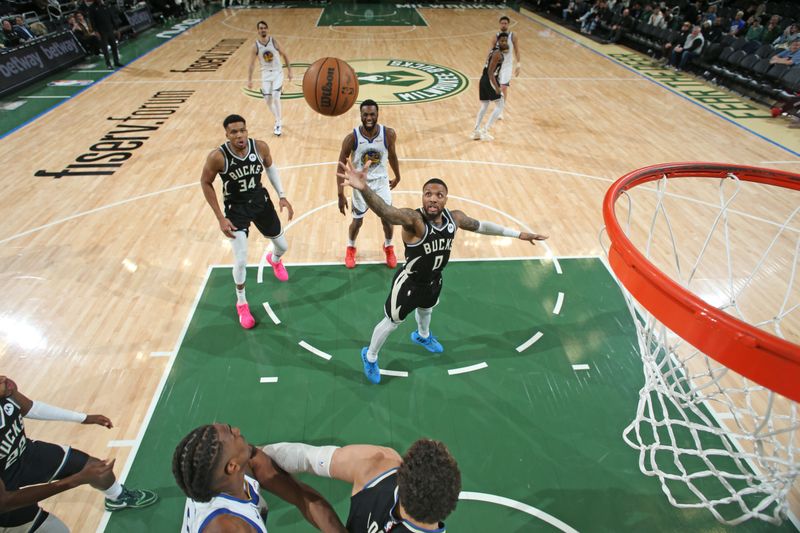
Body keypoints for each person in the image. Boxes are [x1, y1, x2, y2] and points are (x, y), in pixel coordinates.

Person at [337, 160, 548, 384]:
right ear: (422, 197)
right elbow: (387, 212)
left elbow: (481, 226)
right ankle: (370, 356)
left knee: (427, 309)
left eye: (439, 195)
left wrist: (518, 235)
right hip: (410, 282)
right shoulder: (413, 220)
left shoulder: (454, 218)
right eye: (428, 194)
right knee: (391, 322)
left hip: (434, 279)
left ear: (445, 198)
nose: (433, 198)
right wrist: (365, 189)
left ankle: (422, 336)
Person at [0, 376, 157, 532]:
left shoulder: (5, 391)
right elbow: (5, 502)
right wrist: (77, 479)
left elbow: (31, 408)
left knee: (96, 468)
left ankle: (118, 497)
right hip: (5, 490)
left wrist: (84, 418)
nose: (3, 378)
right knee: (58, 530)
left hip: (24, 453)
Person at [200, 114, 294, 330]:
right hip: (236, 210)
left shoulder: (260, 147)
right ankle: (241, 302)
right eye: (234, 132)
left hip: (260, 202)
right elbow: (205, 182)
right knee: (241, 259)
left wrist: (281, 195)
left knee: (283, 246)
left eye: (242, 130)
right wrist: (220, 218)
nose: (239, 135)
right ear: (227, 135)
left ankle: (275, 259)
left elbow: (270, 167)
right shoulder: (218, 157)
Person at [172, 424, 346, 532]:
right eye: (232, 433)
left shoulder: (241, 465)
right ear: (232, 466)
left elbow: (302, 496)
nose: (238, 430)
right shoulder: (230, 527)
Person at [264, 438, 461, 533]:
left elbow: (305, 457)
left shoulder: (380, 465)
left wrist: (252, 454)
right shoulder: (377, 466)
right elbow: (305, 458)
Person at [336, 99, 401, 270]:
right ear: (361, 116)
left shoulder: (388, 134)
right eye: (365, 114)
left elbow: (393, 156)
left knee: (388, 219)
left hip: (381, 183)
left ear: (378, 114)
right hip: (360, 186)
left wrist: (398, 176)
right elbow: (340, 165)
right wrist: (340, 194)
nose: (369, 117)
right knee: (357, 222)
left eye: (372, 114)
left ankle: (388, 246)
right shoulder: (352, 138)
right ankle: (351, 247)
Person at [247, 21, 292, 137]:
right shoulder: (255, 46)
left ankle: (278, 123)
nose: (263, 30)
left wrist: (290, 71)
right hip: (265, 74)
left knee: (276, 96)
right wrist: (249, 79)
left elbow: (285, 55)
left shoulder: (274, 41)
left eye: (264, 28)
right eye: (261, 28)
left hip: (277, 73)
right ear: (258, 30)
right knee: (267, 99)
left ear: (267, 29)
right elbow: (251, 64)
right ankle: (278, 118)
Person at [472, 32, 508, 141]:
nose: (504, 42)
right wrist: (497, 87)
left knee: (485, 105)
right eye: (502, 40)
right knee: (500, 104)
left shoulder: (493, 51)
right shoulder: (497, 53)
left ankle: (476, 131)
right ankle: (485, 130)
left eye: (505, 40)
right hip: (489, 79)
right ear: (498, 41)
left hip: (483, 79)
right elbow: (490, 72)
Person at [489, 16, 520, 119]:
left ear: (508, 24)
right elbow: (491, 51)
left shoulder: (512, 36)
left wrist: (518, 64)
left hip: (508, 65)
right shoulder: (496, 36)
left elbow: (517, 50)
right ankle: (498, 105)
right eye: (502, 23)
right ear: (499, 24)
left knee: (503, 87)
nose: (504, 25)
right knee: (496, 88)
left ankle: (500, 110)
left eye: (505, 23)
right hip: (497, 65)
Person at [84, 0, 122, 69]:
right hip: (101, 32)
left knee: (114, 46)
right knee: (105, 49)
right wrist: (96, 31)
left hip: (110, 29)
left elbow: (111, 17)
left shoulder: (106, 5)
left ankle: (116, 62)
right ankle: (108, 64)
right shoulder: (91, 8)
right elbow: (92, 21)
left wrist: (117, 29)